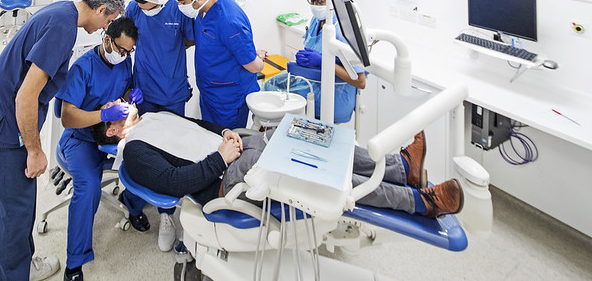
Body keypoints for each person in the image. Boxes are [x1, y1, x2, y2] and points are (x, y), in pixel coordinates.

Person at [0, 0, 124, 281]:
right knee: (15, 213)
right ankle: (16, 275)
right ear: (101, 10)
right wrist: (35, 150)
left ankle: (23, 266)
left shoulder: (63, 11)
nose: (106, 27)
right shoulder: (63, 29)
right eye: (108, 20)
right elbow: (26, 96)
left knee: (12, 208)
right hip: (8, 124)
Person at [93, 108, 464, 220]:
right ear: (112, 130)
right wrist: (222, 156)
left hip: (231, 150)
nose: (122, 102)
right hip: (223, 178)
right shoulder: (134, 150)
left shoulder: (153, 115)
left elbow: (196, 125)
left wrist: (225, 133)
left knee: (303, 133)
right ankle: (421, 202)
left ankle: (401, 168)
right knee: (308, 167)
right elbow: (175, 182)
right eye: (113, 109)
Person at [56, 17, 146, 281]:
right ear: (107, 40)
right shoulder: (83, 68)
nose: (125, 56)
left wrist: (130, 97)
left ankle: (133, 207)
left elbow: (124, 89)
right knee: (88, 188)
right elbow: (67, 117)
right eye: (121, 50)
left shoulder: (123, 60)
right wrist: (104, 114)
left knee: (143, 163)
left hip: (111, 135)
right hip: (81, 138)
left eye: (129, 52)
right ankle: (74, 264)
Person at [125, 0, 195, 251]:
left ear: (158, 0)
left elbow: (189, 40)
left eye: (145, 4)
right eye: (138, 4)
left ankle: (166, 214)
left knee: (169, 152)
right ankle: (133, 204)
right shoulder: (134, 8)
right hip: (144, 88)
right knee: (141, 148)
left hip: (172, 91)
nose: (140, 8)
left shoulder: (178, 9)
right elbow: (128, 38)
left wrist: (168, 54)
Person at [173, 0, 266, 130]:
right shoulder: (206, 5)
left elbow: (254, 66)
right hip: (210, 91)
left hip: (228, 98)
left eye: (183, 2)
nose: (181, 7)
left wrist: (257, 58)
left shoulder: (228, 21)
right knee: (210, 135)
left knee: (227, 139)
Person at [263, 0, 366, 123]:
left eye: (319, 1)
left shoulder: (342, 30)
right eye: (312, 1)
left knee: (279, 98)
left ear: (333, 3)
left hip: (335, 95)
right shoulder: (317, 20)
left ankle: (272, 127)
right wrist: (305, 59)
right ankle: (267, 129)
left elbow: (360, 82)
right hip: (313, 82)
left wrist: (322, 61)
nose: (315, 6)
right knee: (270, 85)